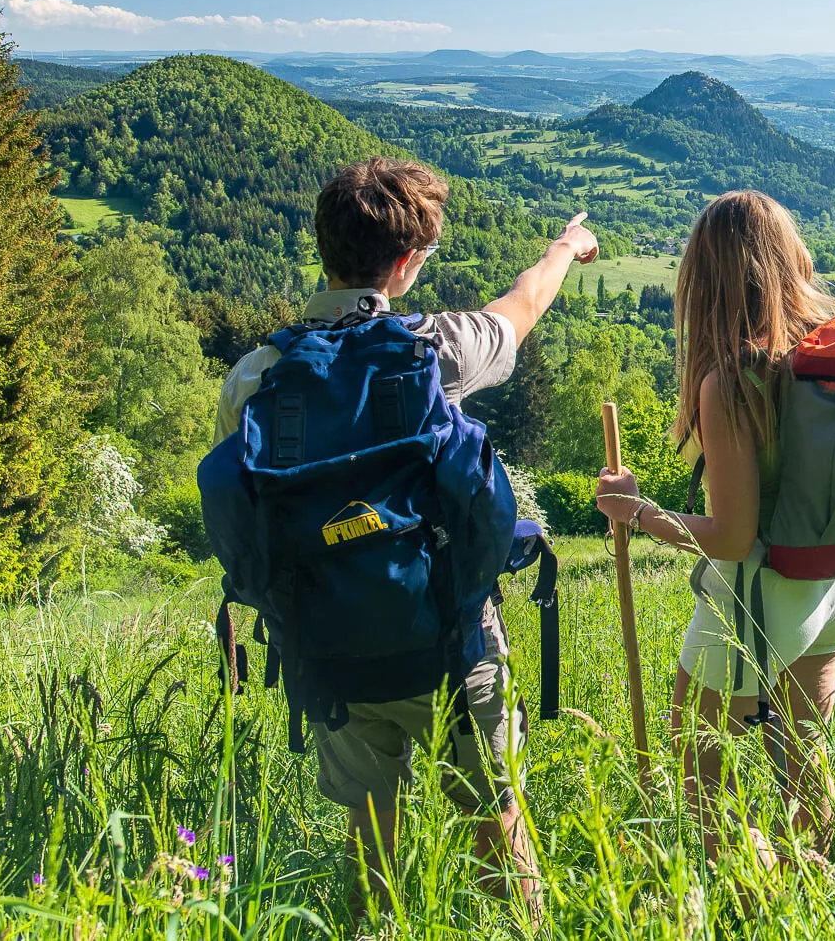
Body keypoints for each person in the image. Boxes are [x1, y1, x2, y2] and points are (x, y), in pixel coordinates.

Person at [213, 157, 598, 915]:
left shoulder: (256, 379)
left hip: (325, 648)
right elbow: (521, 306)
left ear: (325, 247)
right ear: (408, 262)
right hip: (451, 646)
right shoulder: (438, 350)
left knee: (369, 841)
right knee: (497, 821)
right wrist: (564, 249)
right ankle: (522, 929)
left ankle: (374, 931)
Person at [595, 190, 835, 868]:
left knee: (702, 774)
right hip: (829, 586)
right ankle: (810, 900)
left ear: (704, 277)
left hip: (754, 603)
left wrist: (640, 514)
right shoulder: (823, 347)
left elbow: (734, 537)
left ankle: (754, 907)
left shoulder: (734, 379)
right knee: (805, 762)